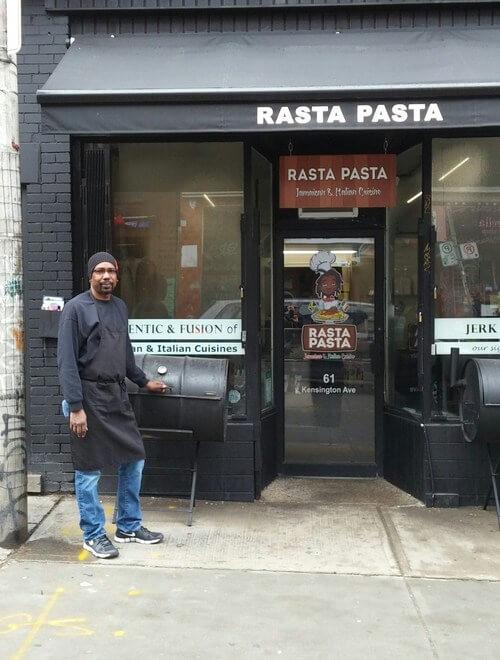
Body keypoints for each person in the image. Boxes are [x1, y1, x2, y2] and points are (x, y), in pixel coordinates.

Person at [57, 251, 167, 559]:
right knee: (89, 470)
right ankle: (93, 534)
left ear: (117, 276)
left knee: (134, 458)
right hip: (88, 398)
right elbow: (66, 363)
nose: (106, 276)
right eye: (100, 271)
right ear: (90, 276)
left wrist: (143, 381)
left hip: (117, 396)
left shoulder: (119, 307)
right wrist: (75, 406)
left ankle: (128, 525)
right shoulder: (75, 310)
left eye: (111, 271)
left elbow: (125, 354)